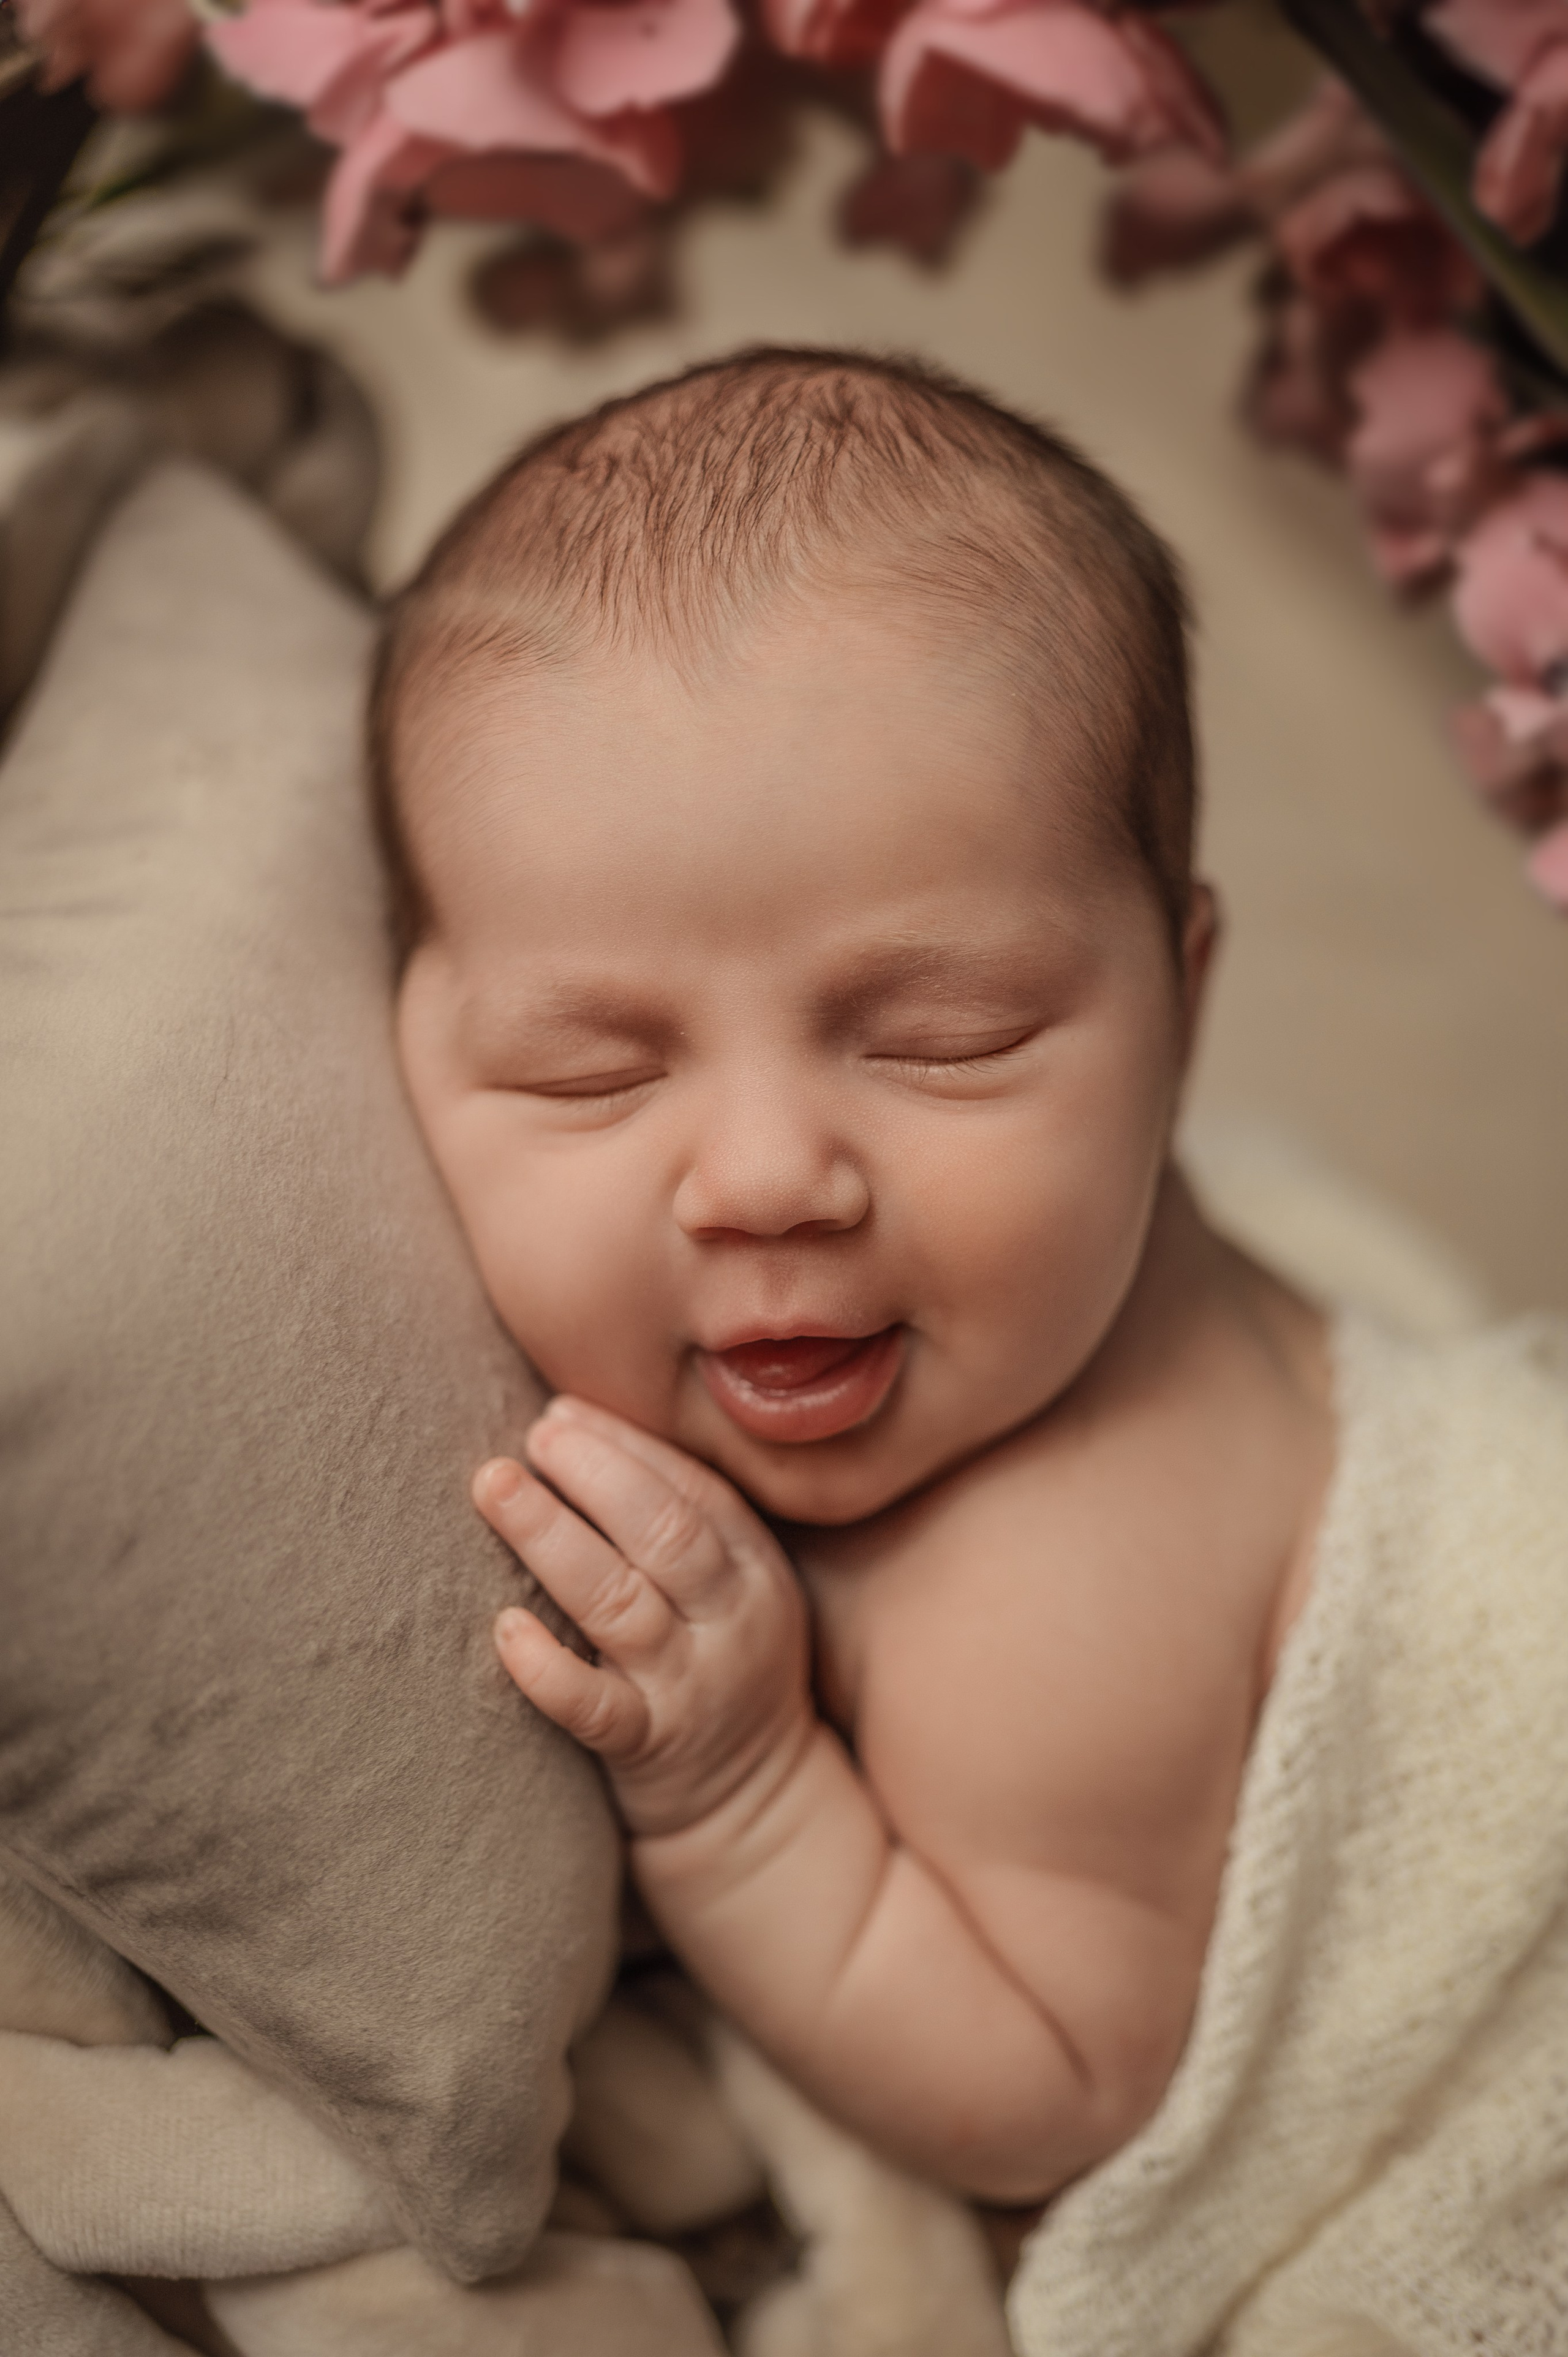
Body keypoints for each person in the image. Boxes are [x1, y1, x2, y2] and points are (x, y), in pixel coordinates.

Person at [377, 346, 1336, 2206]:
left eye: (943, 1041)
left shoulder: (1058, 1599)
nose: (765, 1181)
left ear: (1181, 1003)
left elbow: (1062, 2095)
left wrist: (741, 1793)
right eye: (594, 1070)